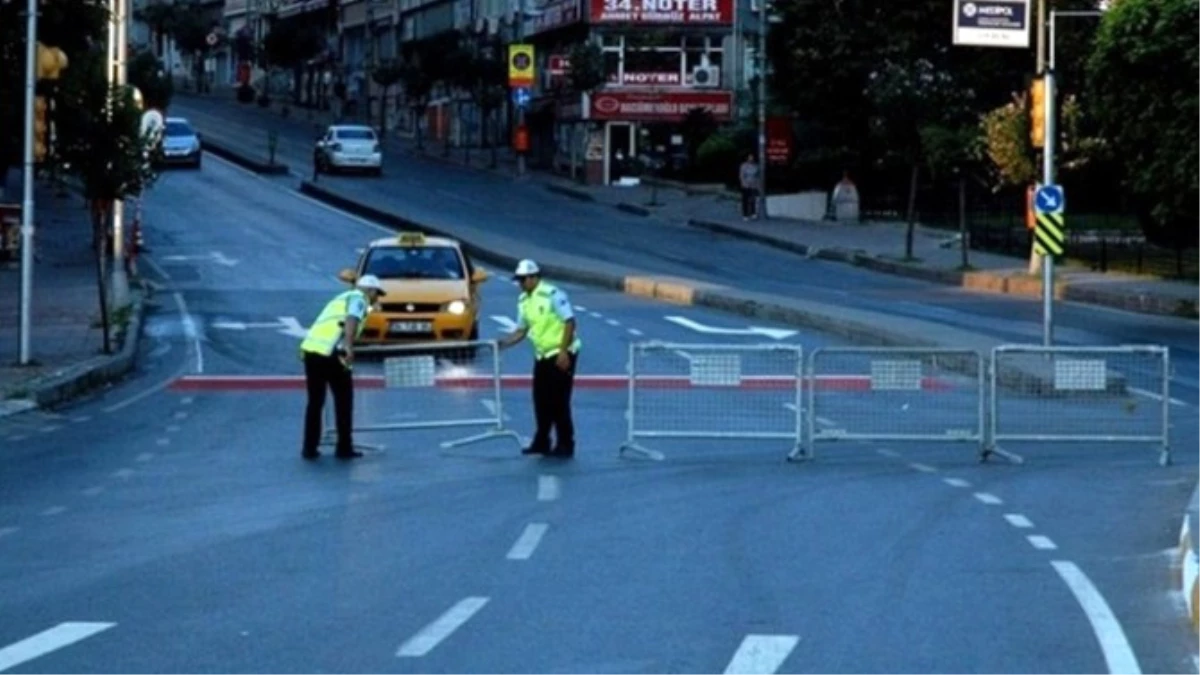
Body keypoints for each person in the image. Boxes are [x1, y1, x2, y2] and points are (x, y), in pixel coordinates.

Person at [298, 274, 386, 460]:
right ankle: (344, 448)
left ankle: (309, 448)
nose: (376, 298)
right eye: (376, 293)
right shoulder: (359, 299)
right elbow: (351, 319)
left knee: (315, 403)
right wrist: (348, 346)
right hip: (333, 354)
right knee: (344, 401)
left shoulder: (341, 298)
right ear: (370, 290)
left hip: (312, 351)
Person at [499, 259, 581, 458]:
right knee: (540, 400)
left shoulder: (552, 294)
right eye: (518, 280)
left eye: (522, 280)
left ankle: (565, 444)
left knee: (559, 401)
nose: (520, 284)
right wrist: (502, 344)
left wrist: (563, 352)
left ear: (534, 277)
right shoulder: (524, 300)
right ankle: (542, 441)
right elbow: (521, 330)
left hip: (561, 353)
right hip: (542, 355)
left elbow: (569, 322)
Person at [739, 154, 759, 219]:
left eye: (752, 158)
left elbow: (757, 176)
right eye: (750, 158)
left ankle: (753, 213)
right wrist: (743, 183)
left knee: (753, 199)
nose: (751, 159)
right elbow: (742, 175)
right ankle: (745, 214)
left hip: (753, 185)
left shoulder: (755, 166)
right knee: (745, 200)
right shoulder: (744, 166)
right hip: (746, 185)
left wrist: (757, 185)